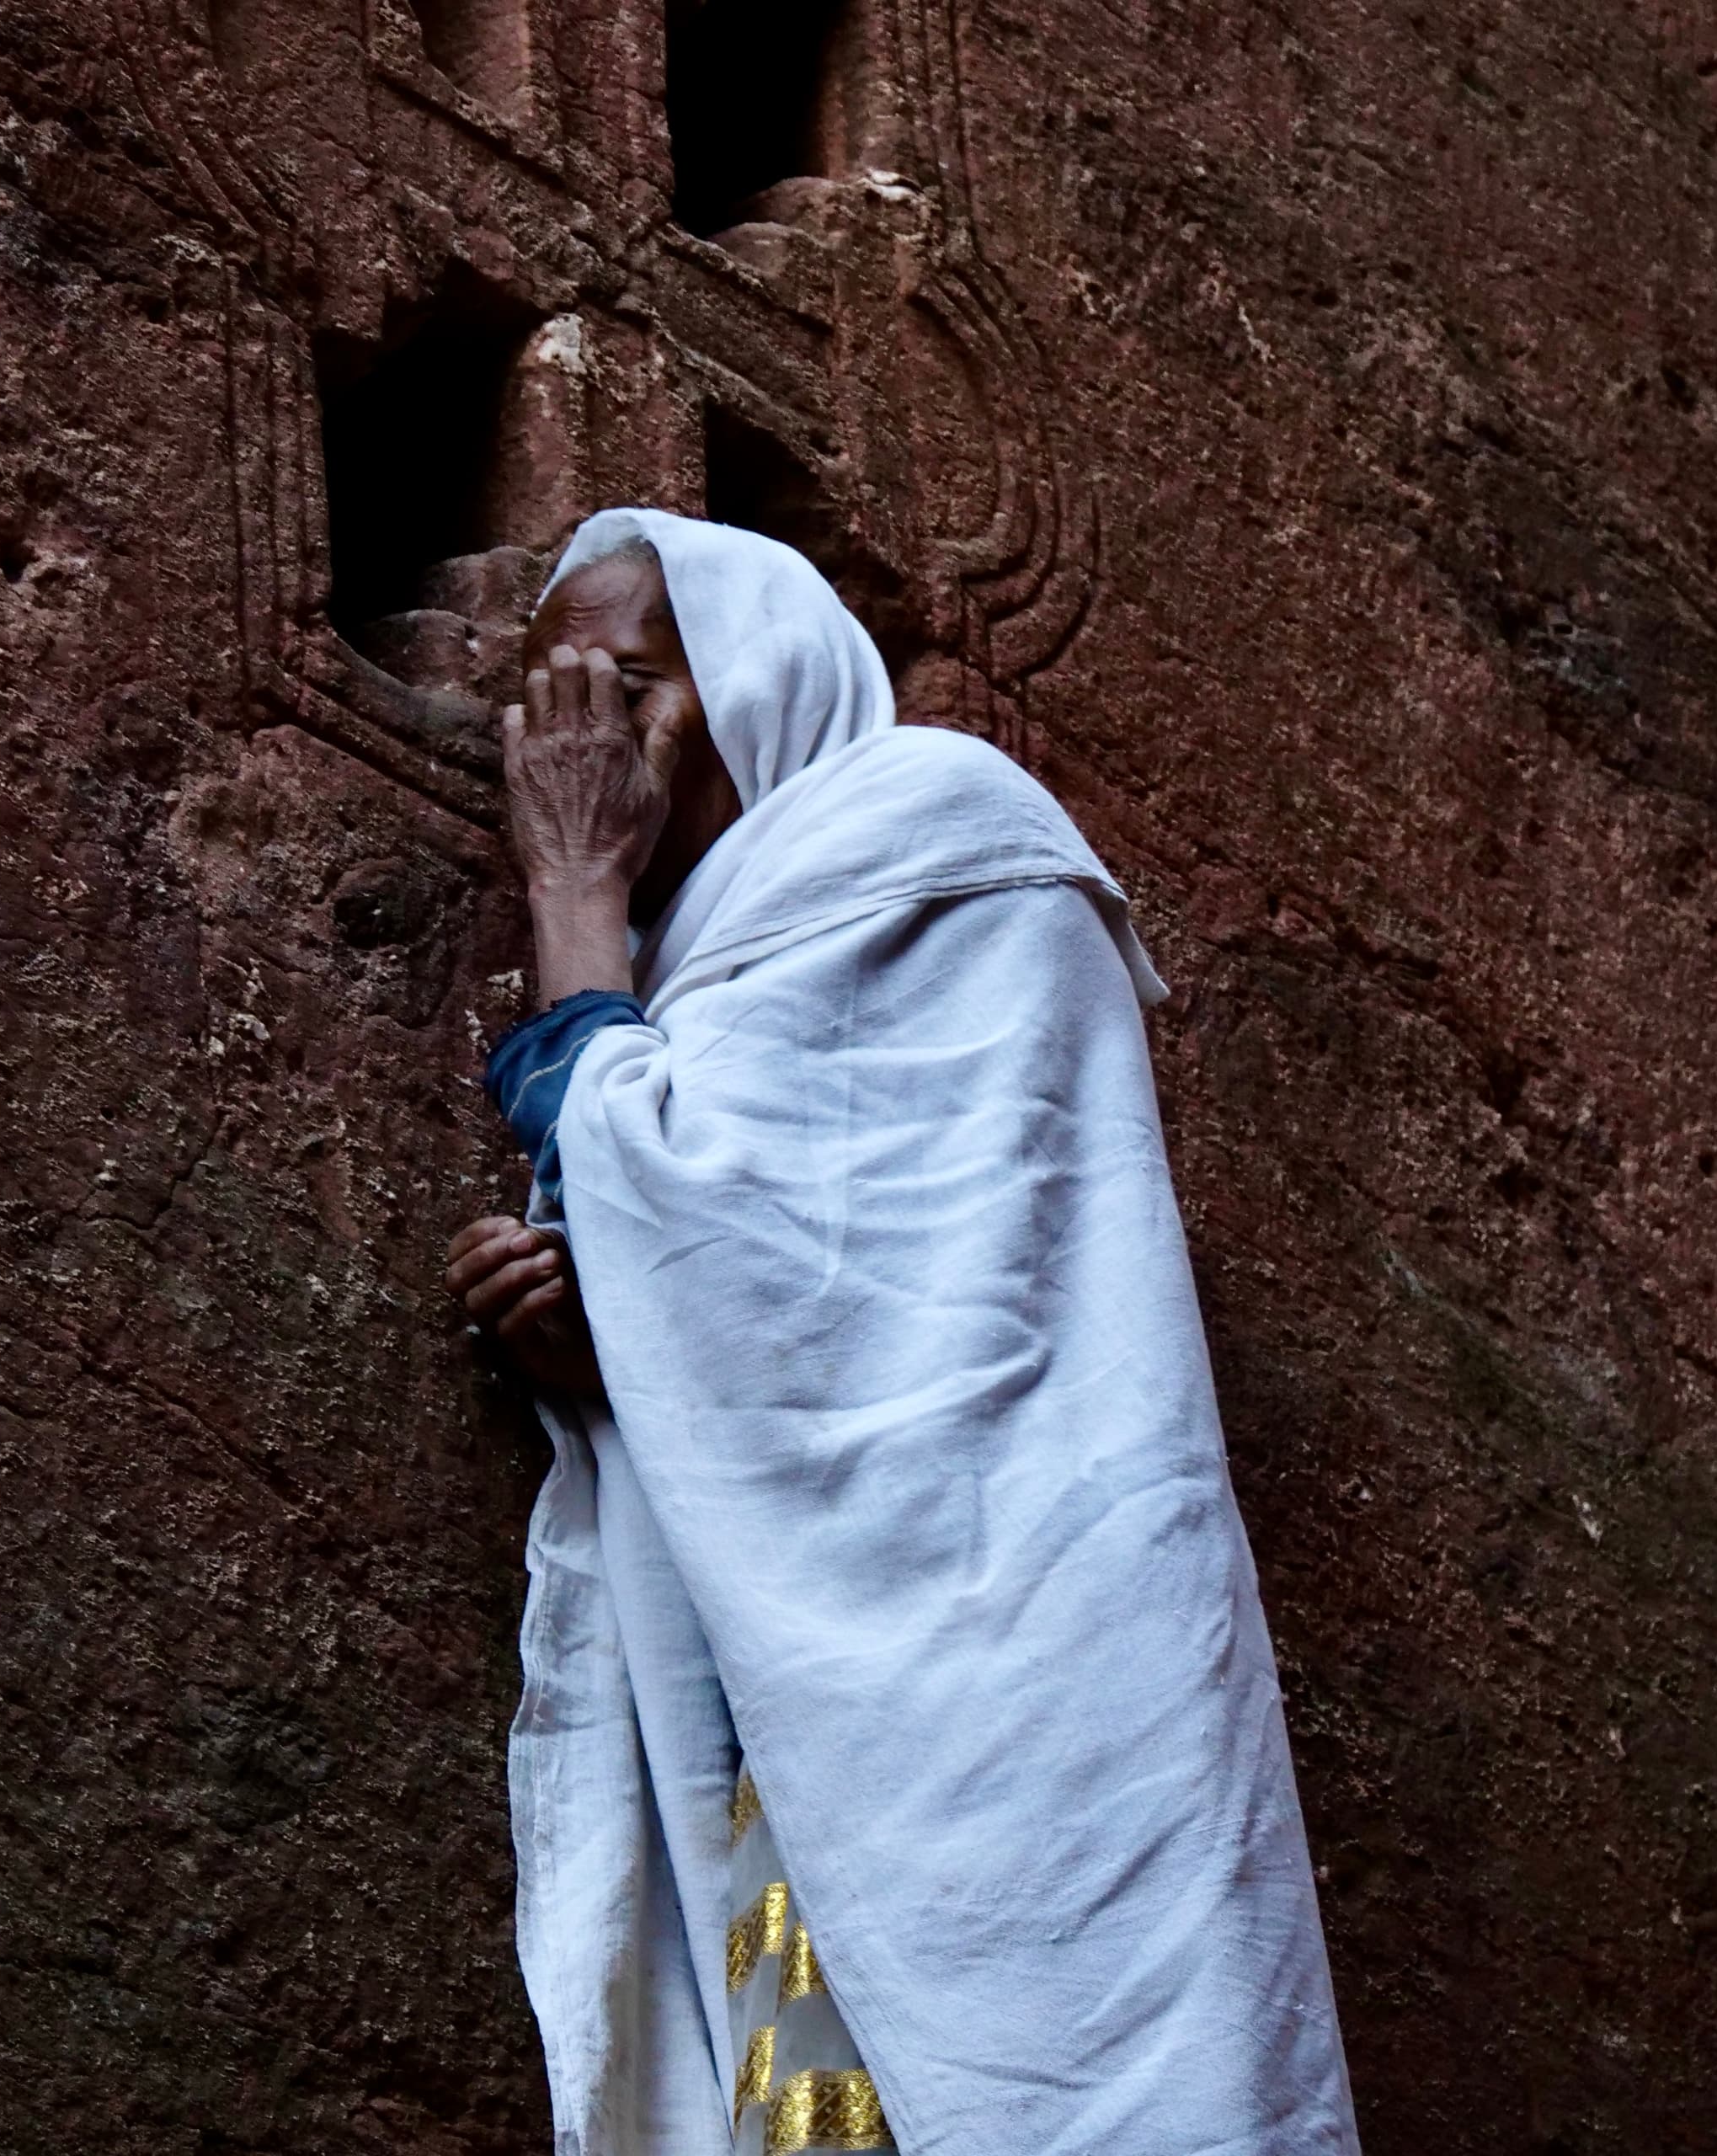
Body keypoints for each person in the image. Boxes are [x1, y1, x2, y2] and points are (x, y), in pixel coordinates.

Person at [444, 508, 1359, 2156]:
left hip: (1030, 1686)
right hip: (804, 1732)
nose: (590, 751)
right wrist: (625, 1356)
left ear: (762, 675)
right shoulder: (704, 981)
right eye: (552, 713)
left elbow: (908, 1318)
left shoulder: (937, 835)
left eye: (631, 688)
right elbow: (764, 1307)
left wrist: (570, 892)